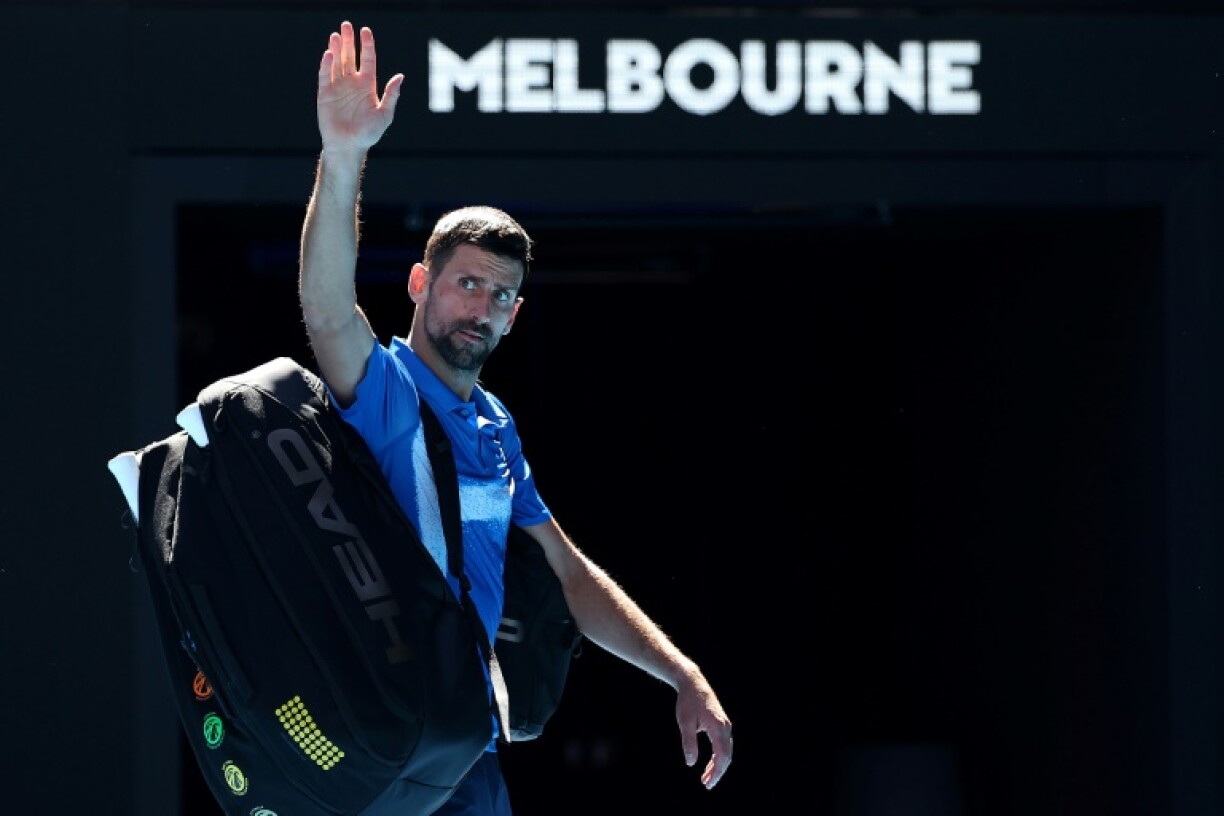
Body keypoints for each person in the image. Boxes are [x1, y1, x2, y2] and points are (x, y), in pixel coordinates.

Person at [299, 20, 734, 815]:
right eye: (467, 284)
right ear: (419, 283)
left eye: (501, 296)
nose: (483, 307)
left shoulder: (496, 426)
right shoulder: (386, 390)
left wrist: (683, 675)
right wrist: (344, 154)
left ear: (516, 315)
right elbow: (328, 312)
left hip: (467, 752)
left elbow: (569, 575)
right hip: (383, 751)